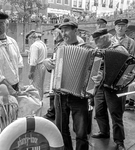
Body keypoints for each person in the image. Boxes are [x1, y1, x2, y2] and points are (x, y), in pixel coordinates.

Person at [52, 18, 91, 150]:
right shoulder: (59, 48)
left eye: (66, 30)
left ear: (76, 31)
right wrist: (47, 64)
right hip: (60, 95)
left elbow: (97, 71)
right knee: (62, 129)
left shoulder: (88, 50)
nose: (63, 33)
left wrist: (96, 79)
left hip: (79, 96)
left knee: (81, 132)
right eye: (62, 31)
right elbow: (53, 68)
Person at [91, 28, 129, 150]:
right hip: (100, 86)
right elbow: (94, 67)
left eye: (97, 39)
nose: (95, 42)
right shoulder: (97, 51)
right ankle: (104, 132)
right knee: (99, 111)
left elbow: (129, 67)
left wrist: (124, 78)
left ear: (106, 38)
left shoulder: (120, 49)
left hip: (115, 88)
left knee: (116, 115)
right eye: (94, 39)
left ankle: (119, 141)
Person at [111, 18, 135, 110]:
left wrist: (130, 75)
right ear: (115, 27)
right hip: (110, 74)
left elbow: (132, 60)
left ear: (126, 27)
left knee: (120, 102)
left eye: (123, 26)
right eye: (118, 26)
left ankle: (118, 118)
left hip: (123, 75)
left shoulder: (131, 42)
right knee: (107, 99)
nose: (120, 28)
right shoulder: (109, 40)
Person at [43, 24, 63, 121]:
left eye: (56, 32)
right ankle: (52, 111)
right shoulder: (58, 43)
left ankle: (52, 113)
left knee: (54, 92)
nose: (54, 34)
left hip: (58, 74)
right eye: (53, 32)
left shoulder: (61, 44)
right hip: (55, 71)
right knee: (52, 91)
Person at [26, 30, 48, 100]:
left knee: (35, 86)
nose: (29, 42)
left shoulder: (34, 46)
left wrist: (31, 72)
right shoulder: (42, 44)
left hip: (37, 67)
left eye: (29, 39)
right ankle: (40, 100)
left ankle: (37, 102)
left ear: (31, 38)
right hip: (43, 65)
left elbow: (34, 60)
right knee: (40, 86)